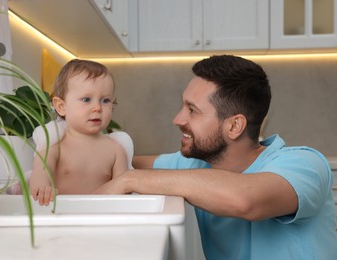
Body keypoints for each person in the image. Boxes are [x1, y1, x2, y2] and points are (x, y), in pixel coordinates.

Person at [95, 55, 337, 259]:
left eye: (192, 110)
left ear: (234, 126)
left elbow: (245, 200)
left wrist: (129, 180)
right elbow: (116, 161)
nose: (178, 119)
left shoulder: (305, 166)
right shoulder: (194, 165)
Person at [30, 59, 128, 206]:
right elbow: (40, 173)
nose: (97, 108)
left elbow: (124, 192)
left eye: (105, 100)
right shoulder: (55, 146)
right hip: (62, 215)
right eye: (86, 99)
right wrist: (42, 188)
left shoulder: (115, 150)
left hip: (101, 217)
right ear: (61, 106)